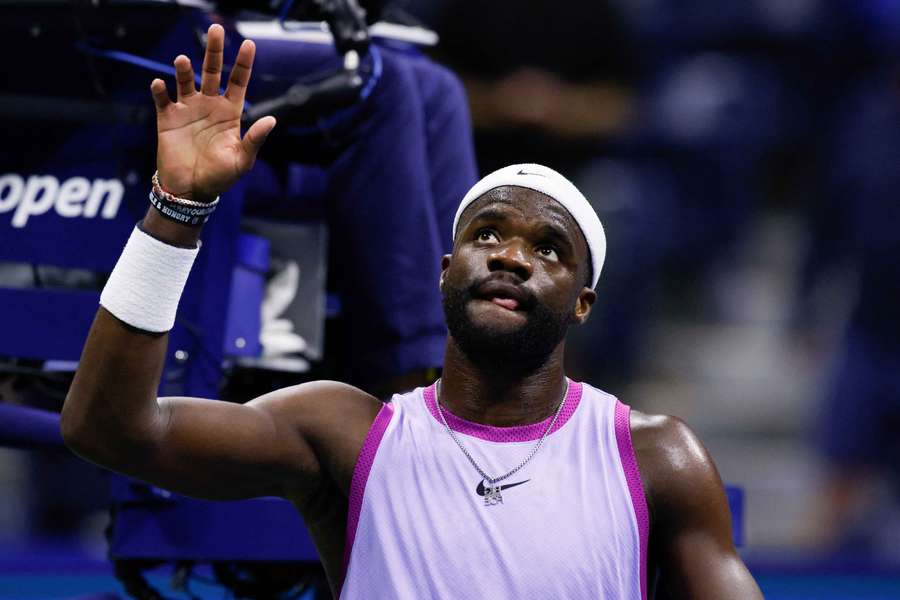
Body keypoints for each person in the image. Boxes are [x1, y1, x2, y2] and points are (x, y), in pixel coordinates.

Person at [60, 25, 762, 599]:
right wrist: (177, 209)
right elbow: (110, 429)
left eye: (548, 248)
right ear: (444, 270)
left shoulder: (656, 456)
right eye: (486, 235)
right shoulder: (347, 432)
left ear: (583, 302)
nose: (511, 257)